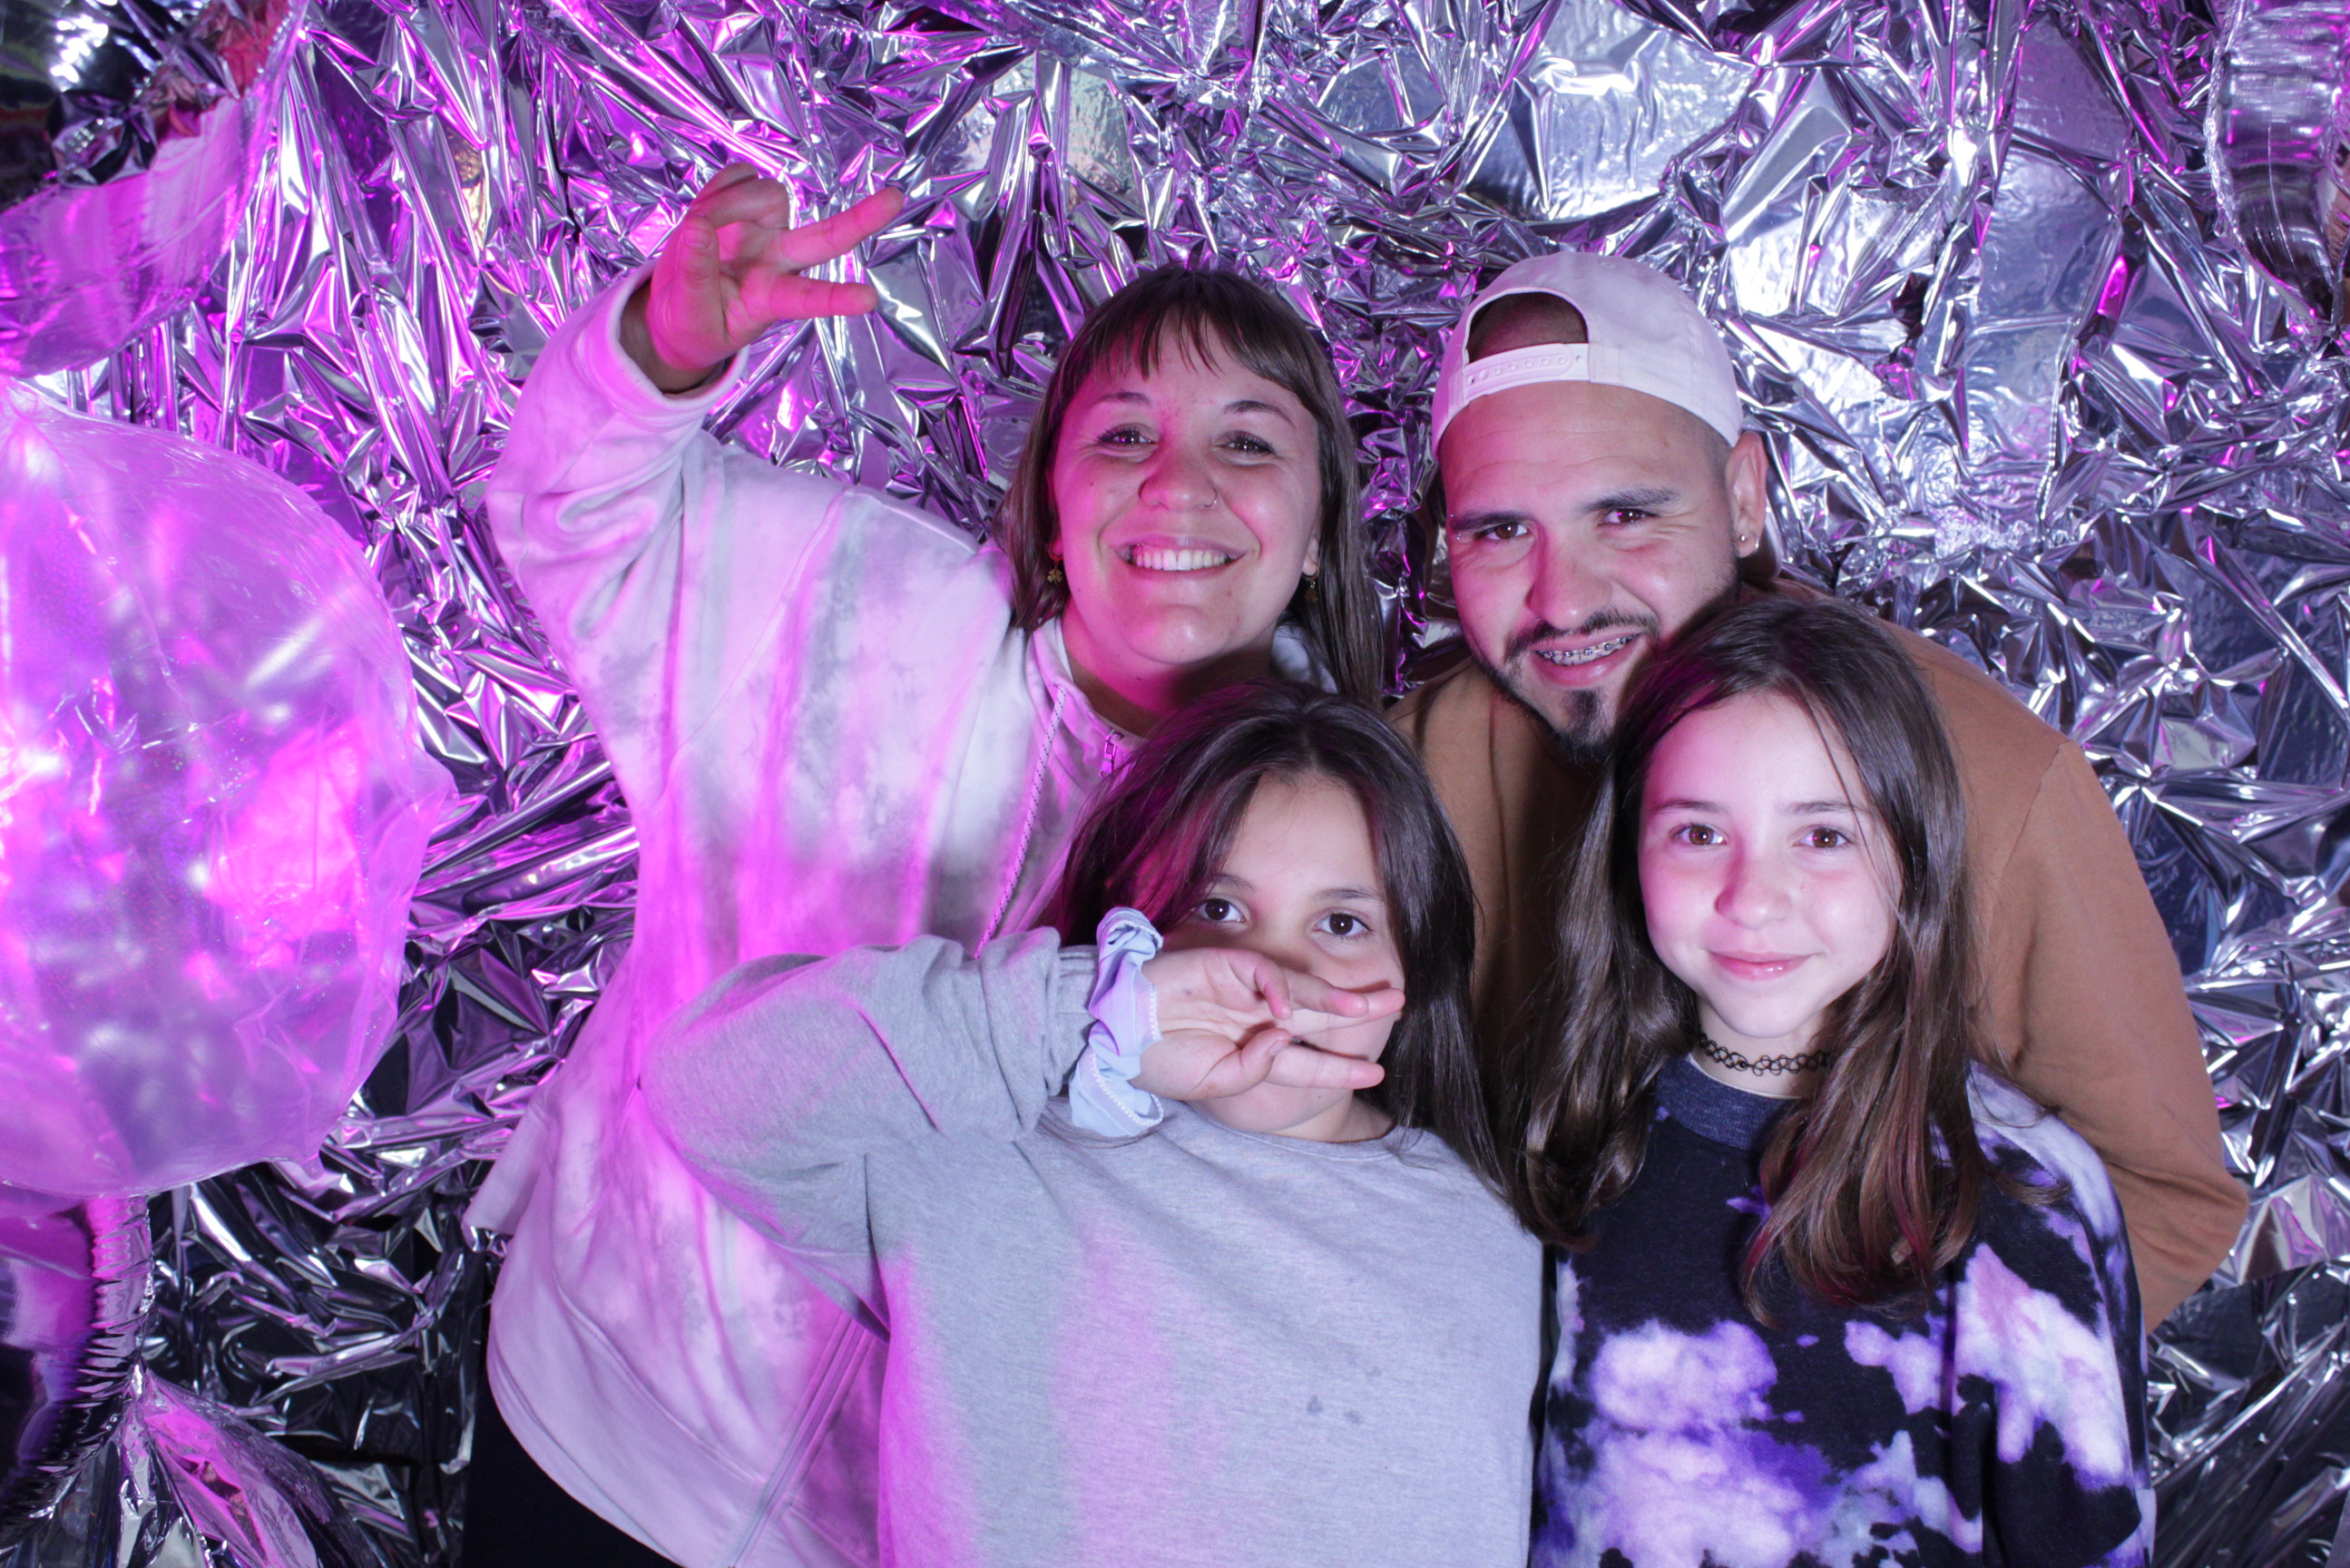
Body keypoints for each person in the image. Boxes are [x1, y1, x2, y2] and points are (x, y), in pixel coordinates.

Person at [465, 163, 1386, 1567]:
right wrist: (657, 346)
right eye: (1124, 433)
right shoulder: (844, 598)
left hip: (903, 1528)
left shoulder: (1344, 858)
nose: (1178, 484)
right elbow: (570, 512)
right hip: (598, 1430)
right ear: (1053, 498)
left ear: (1320, 528)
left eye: (1248, 442)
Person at [1387, 249, 2245, 1328]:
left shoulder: (1985, 777)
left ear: (1744, 497)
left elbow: (2161, 1202)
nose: (1562, 601)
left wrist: (1867, 1387)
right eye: (1500, 530)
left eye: (1627, 514)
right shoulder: (1409, 770)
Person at [641, 681, 1540, 1568]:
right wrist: (1094, 1013)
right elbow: (703, 1091)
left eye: (1342, 923)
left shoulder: (1493, 1230)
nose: (1274, 976)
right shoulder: (977, 1148)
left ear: (1416, 961)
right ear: (1131, 925)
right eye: (1218, 909)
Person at [1506, 595, 2150, 1567]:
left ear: (1913, 853)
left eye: (1823, 836)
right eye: (1697, 833)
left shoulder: (2019, 1197)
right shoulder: (1570, 1133)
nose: (1753, 898)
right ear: (1628, 848)